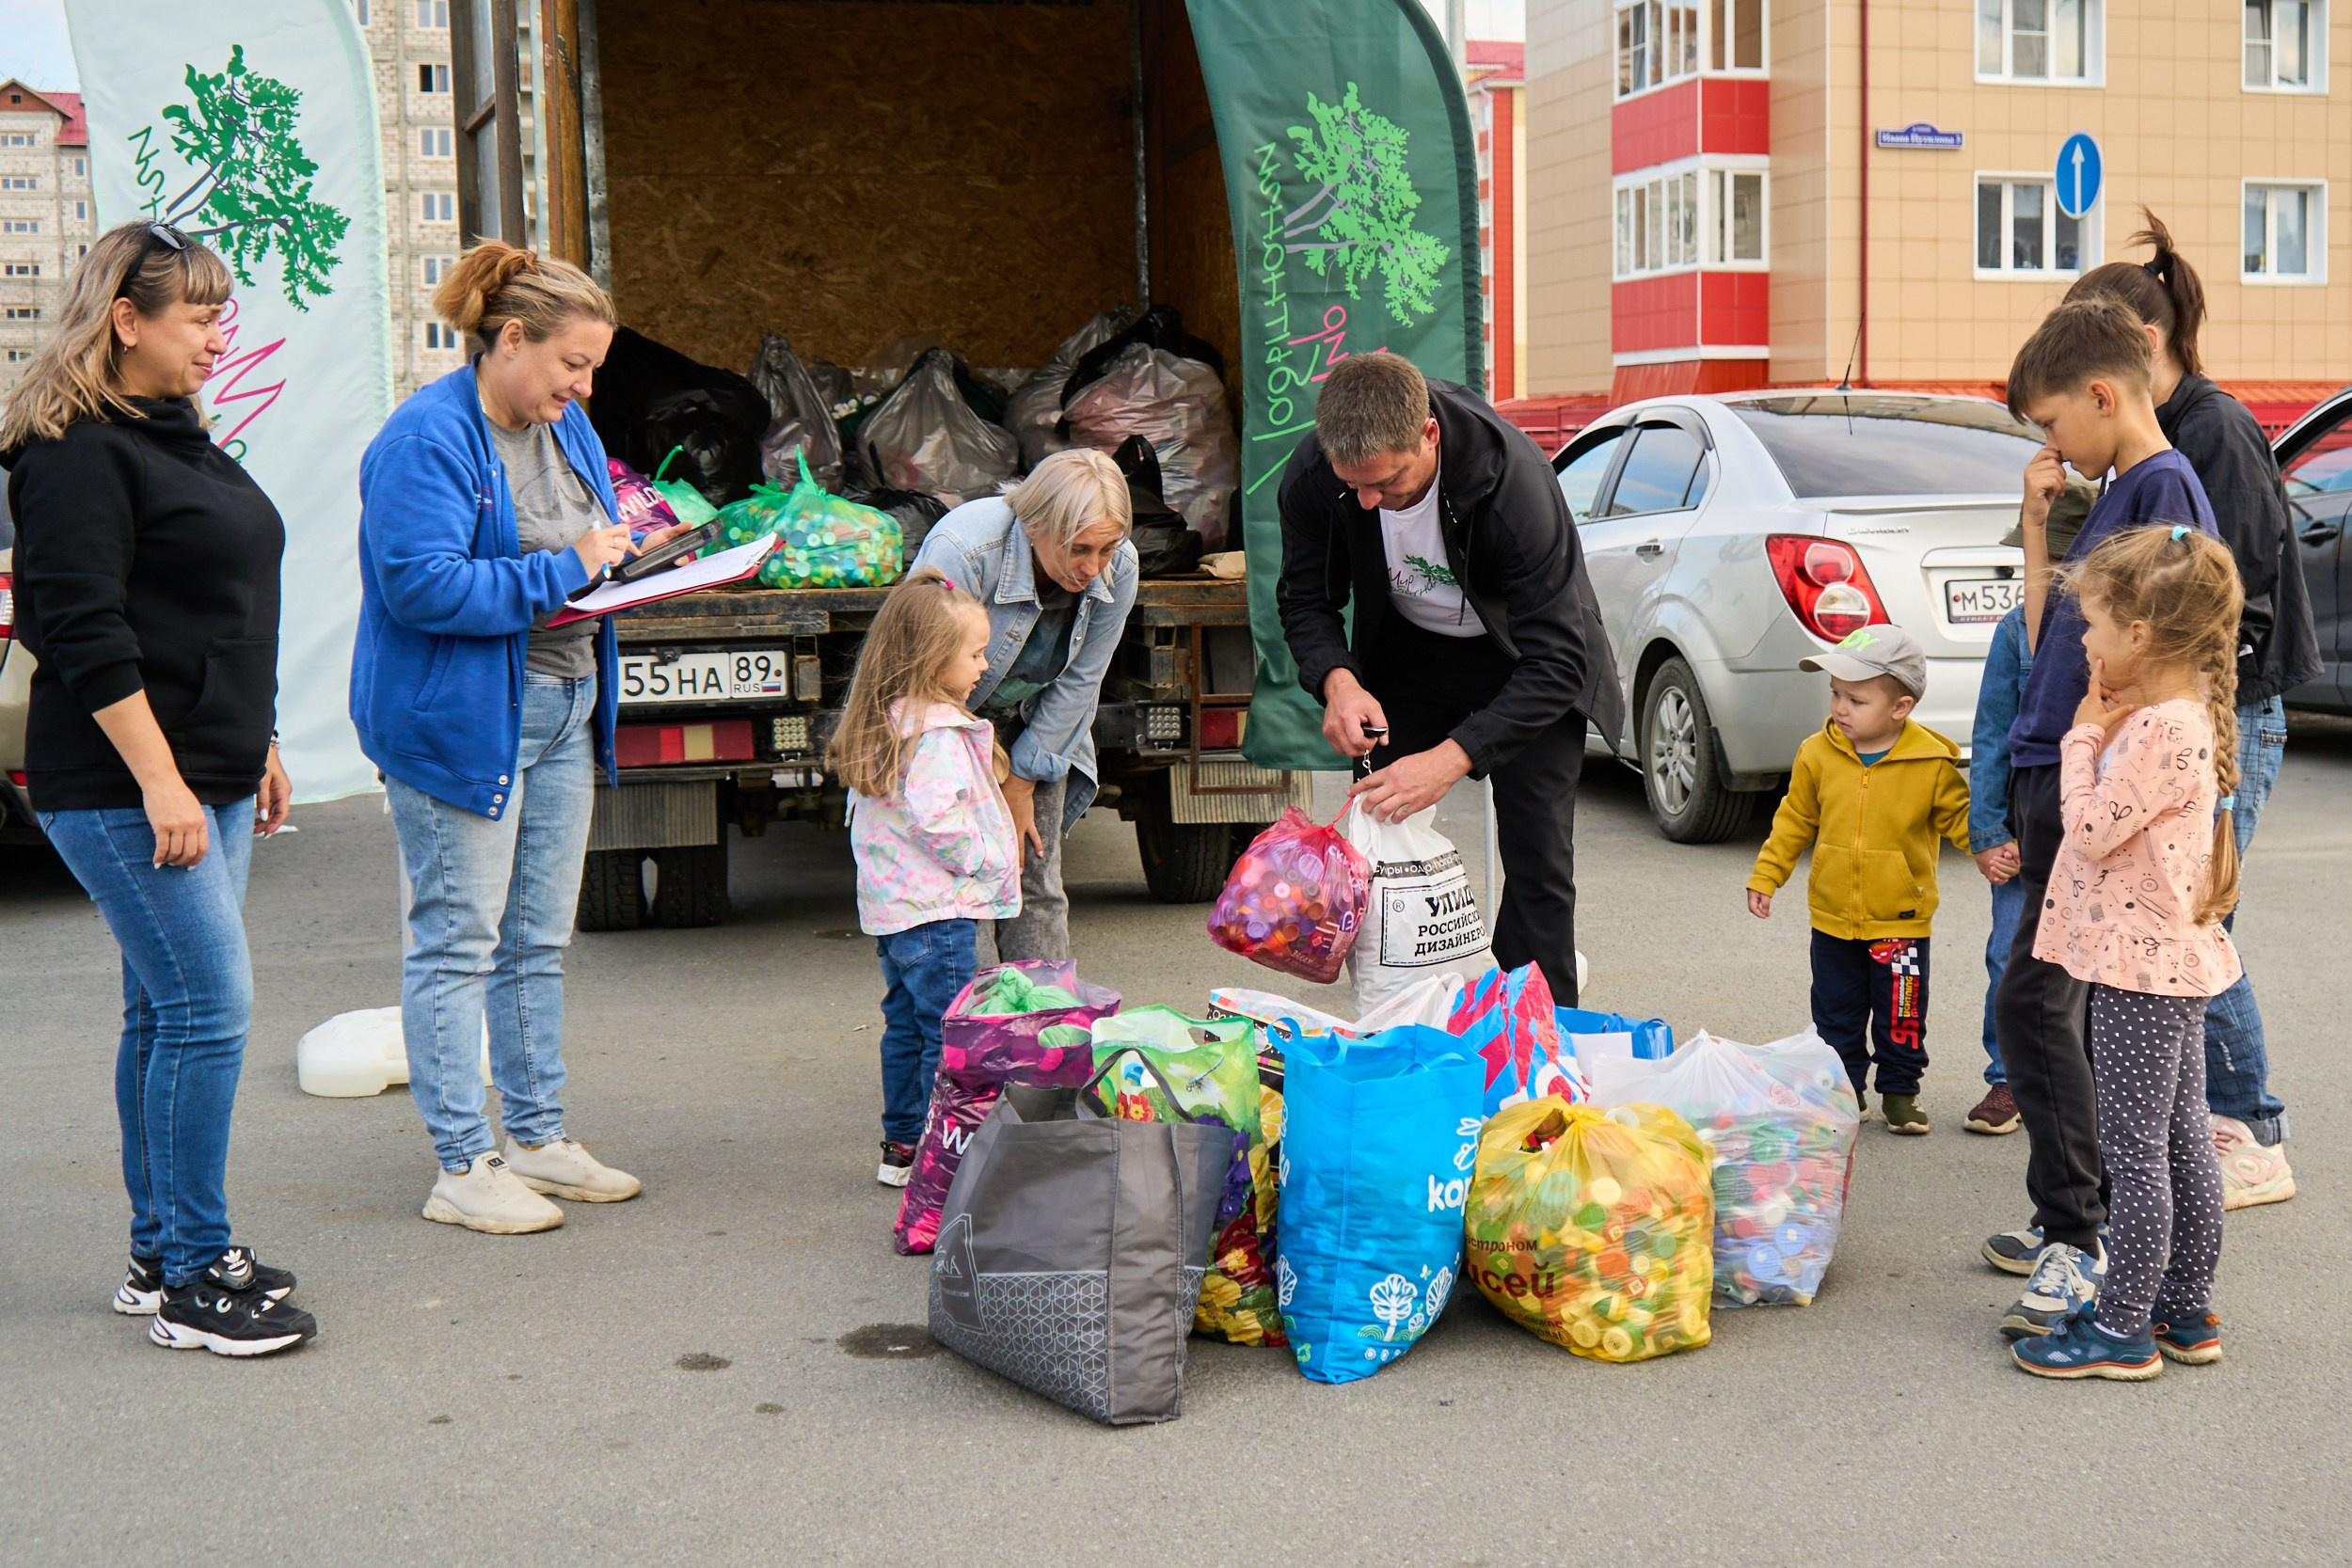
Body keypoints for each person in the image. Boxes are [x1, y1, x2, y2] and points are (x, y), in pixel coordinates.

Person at [0, 222, 314, 1355]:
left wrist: (258, 739)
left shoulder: (175, 433)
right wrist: (166, 781)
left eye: (222, 314)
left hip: (207, 771)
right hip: (128, 784)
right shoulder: (74, 448)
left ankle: (159, 1250)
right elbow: (82, 631)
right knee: (205, 1012)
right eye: (199, 317)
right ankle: (193, 1277)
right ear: (126, 320)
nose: (218, 335)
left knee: (163, 1011)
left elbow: (214, 607)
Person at [353, 240, 690, 1234]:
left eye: (592, 369)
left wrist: (639, 552)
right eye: (571, 365)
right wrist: (566, 570)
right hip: (461, 723)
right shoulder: (427, 439)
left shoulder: (565, 430)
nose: (584, 389)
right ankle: (462, 1162)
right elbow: (421, 587)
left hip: (561, 705)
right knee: (458, 943)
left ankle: (538, 1138)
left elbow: (589, 537)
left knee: (537, 940)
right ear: (508, 339)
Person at [2065, 213, 2321, 1210]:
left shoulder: (2211, 434)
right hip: (2180, 719)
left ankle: (2250, 1127)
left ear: (2141, 344)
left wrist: (2169, 713)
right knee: (2182, 922)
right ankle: (2199, 1117)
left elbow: (2231, 590)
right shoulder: (2163, 442)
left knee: (2191, 921)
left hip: (2226, 718)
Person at [1992, 297, 2222, 1339]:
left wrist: (2083, 746)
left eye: (2049, 424)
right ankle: (2100, 1249)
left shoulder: (2161, 488)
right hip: (2060, 761)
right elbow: (2054, 636)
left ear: (2098, 395)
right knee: (2052, 1024)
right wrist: (2038, 526)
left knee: (2041, 1015)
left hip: (2090, 795)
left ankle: (2087, 1254)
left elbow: (2148, 663)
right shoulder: (2123, 485)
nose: (2050, 445)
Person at [1274, 352, 1620, 1004]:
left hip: (1524, 658)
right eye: (1357, 489)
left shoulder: (1514, 482)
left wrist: (1453, 757)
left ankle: (1538, 1047)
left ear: (1429, 434)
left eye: (1389, 483)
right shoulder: (1317, 474)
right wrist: (1339, 681)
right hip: (1408, 653)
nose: (1370, 502)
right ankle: (1397, 1018)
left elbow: (1559, 659)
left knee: (1539, 863)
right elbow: (1305, 598)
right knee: (1377, 847)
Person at [2011, 527, 2242, 1381]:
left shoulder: (2156, 732)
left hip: (2140, 971)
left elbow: (2093, 828)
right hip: (2167, 964)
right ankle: (2186, 1305)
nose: (2083, 640)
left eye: (2096, 625)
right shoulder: (2180, 720)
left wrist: (2080, 737)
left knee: (2135, 1149)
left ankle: (2121, 1326)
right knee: (2180, 1138)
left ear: (2141, 638)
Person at [828, 570, 1020, 1186]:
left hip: (896, 910)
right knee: (951, 1033)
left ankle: (903, 1149)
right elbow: (941, 819)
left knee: (906, 1028)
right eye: (974, 652)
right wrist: (991, 859)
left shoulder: (888, 722)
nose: (985, 664)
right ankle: (948, 1153)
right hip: (939, 910)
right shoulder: (935, 732)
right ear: (932, 659)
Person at [1744, 624, 1974, 1132]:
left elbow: (1962, 819)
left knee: (1902, 1016)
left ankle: (1900, 1093)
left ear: (1901, 707)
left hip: (1902, 921)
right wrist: (1767, 874)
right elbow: (1794, 820)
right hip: (1832, 918)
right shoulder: (1816, 753)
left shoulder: (1933, 762)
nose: (1840, 708)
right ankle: (1846, 1092)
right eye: (1835, 694)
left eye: (1856, 699)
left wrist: (1991, 849)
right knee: (1836, 1015)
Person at [911, 448, 1136, 964]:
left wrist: (1023, 780)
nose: (1093, 568)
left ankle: (1043, 1026)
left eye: (1106, 549)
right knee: (958, 882)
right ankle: (967, 1025)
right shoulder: (962, 550)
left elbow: (1083, 678)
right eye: (1079, 549)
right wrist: (977, 776)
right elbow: (920, 678)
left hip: (1039, 724)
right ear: (1034, 524)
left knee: (1033, 874)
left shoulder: (1119, 565)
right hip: (948, 725)